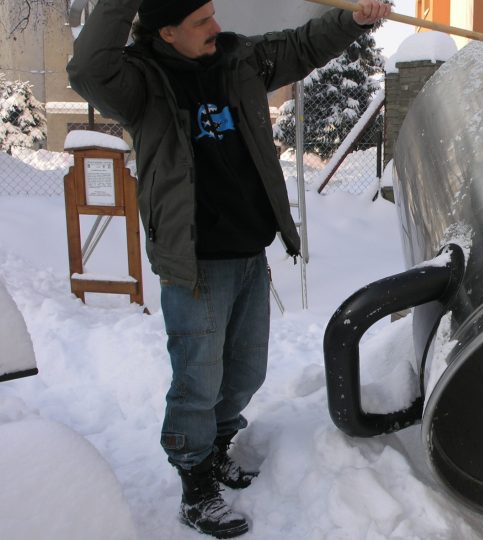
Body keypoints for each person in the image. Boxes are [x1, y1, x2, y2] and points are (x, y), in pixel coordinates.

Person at [67, 0, 391, 537]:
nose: (216, 27)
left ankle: (215, 451)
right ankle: (195, 488)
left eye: (213, 14)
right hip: (194, 264)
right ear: (167, 32)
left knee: (245, 372)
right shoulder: (138, 84)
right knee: (198, 381)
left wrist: (353, 20)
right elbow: (86, 69)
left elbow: (300, 45)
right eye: (200, 21)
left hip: (248, 252)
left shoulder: (238, 60)